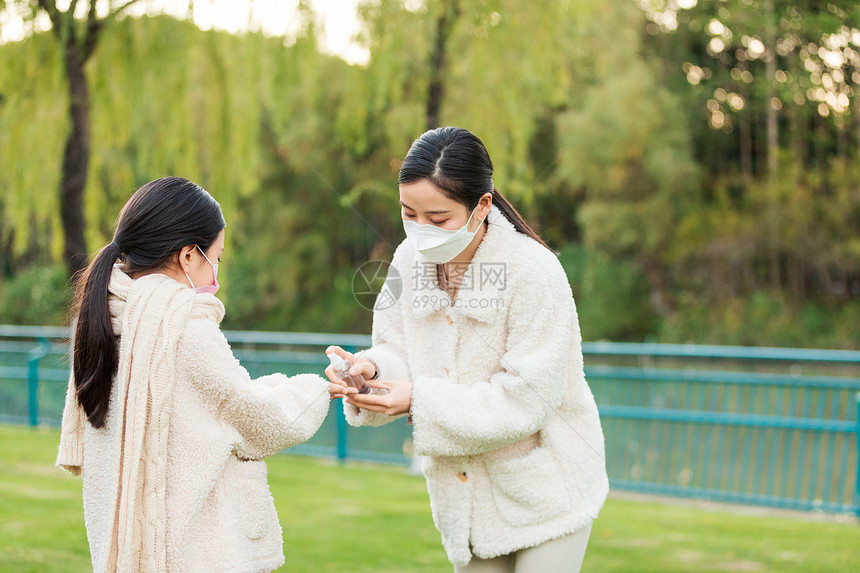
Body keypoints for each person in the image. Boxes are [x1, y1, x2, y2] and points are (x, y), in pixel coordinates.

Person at [326, 127, 609, 572]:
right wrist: (371, 370)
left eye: (438, 219)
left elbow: (526, 399)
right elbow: (396, 347)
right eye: (408, 213)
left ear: (482, 206)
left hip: (549, 491)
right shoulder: (406, 262)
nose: (420, 231)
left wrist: (417, 400)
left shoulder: (533, 273)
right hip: (467, 501)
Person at [57, 176, 335, 573]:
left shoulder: (104, 318)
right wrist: (318, 388)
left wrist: (278, 386)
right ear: (189, 256)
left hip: (122, 544)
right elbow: (259, 420)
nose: (215, 274)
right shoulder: (184, 329)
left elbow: (218, 403)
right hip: (194, 552)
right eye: (216, 257)